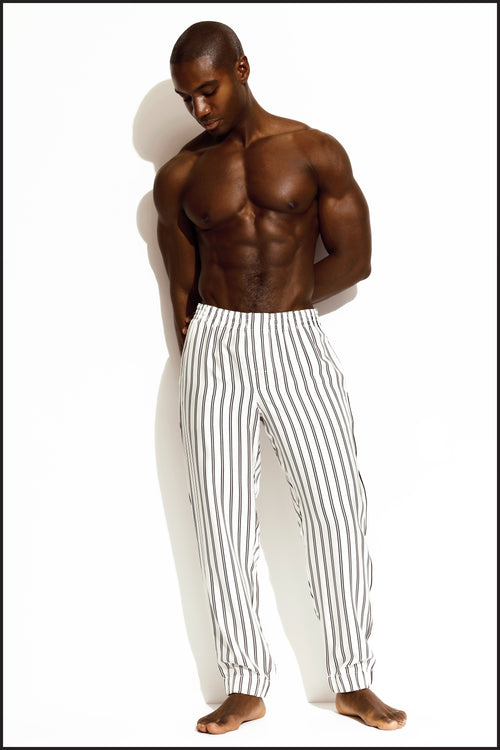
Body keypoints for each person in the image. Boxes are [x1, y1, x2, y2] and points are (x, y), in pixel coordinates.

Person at [153, 20, 407, 735]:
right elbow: (181, 288)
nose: (199, 108)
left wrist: (283, 301)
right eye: (186, 99)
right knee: (221, 516)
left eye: (208, 90)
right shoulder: (179, 175)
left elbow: (355, 258)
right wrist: (208, 345)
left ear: (242, 68)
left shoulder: (312, 150)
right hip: (216, 345)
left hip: (295, 338)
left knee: (336, 505)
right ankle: (244, 686)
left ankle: (353, 680)